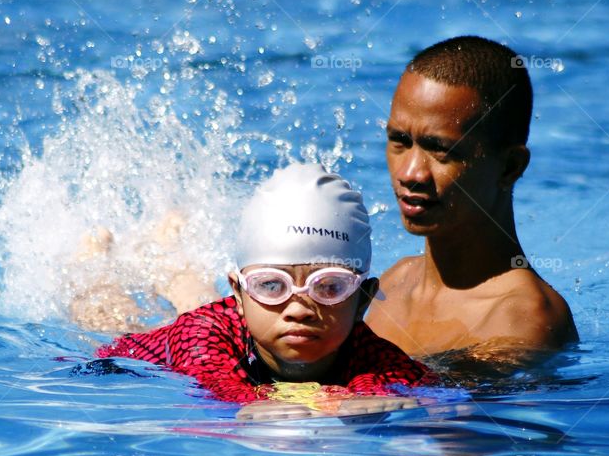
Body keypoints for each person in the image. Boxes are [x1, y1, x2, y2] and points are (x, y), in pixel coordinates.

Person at [94, 163, 432, 419]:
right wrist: (253, 402)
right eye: (271, 284)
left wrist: (373, 394)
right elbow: (216, 381)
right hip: (188, 335)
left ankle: (172, 248)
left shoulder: (368, 350)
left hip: (239, 327)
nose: (299, 309)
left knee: (196, 299)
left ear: (363, 300)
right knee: (109, 316)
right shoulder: (198, 337)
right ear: (239, 293)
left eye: (329, 286)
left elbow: (405, 381)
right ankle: (96, 259)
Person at [364, 35, 578, 368]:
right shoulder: (392, 282)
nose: (410, 173)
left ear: (510, 167)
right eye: (400, 141)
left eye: (440, 150)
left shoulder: (522, 321)